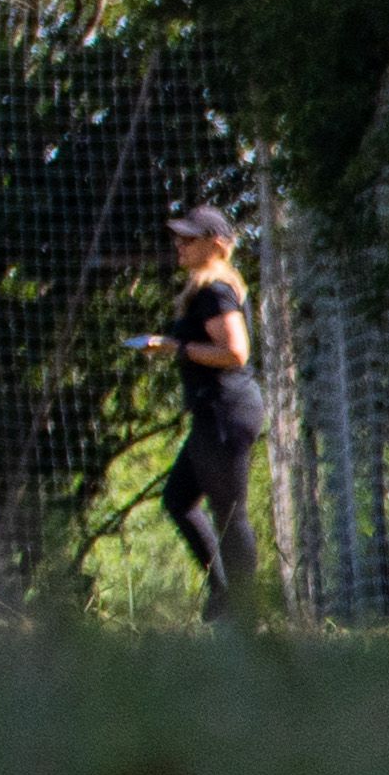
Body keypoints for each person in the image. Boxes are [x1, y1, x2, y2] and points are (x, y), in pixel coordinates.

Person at [134, 203, 267, 620]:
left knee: (230, 513)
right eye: (178, 238)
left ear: (215, 244)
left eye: (188, 239)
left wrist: (176, 347)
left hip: (226, 412)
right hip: (217, 413)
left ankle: (244, 611)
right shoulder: (206, 287)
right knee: (179, 498)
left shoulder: (215, 290)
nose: (179, 245)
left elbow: (234, 352)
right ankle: (225, 594)